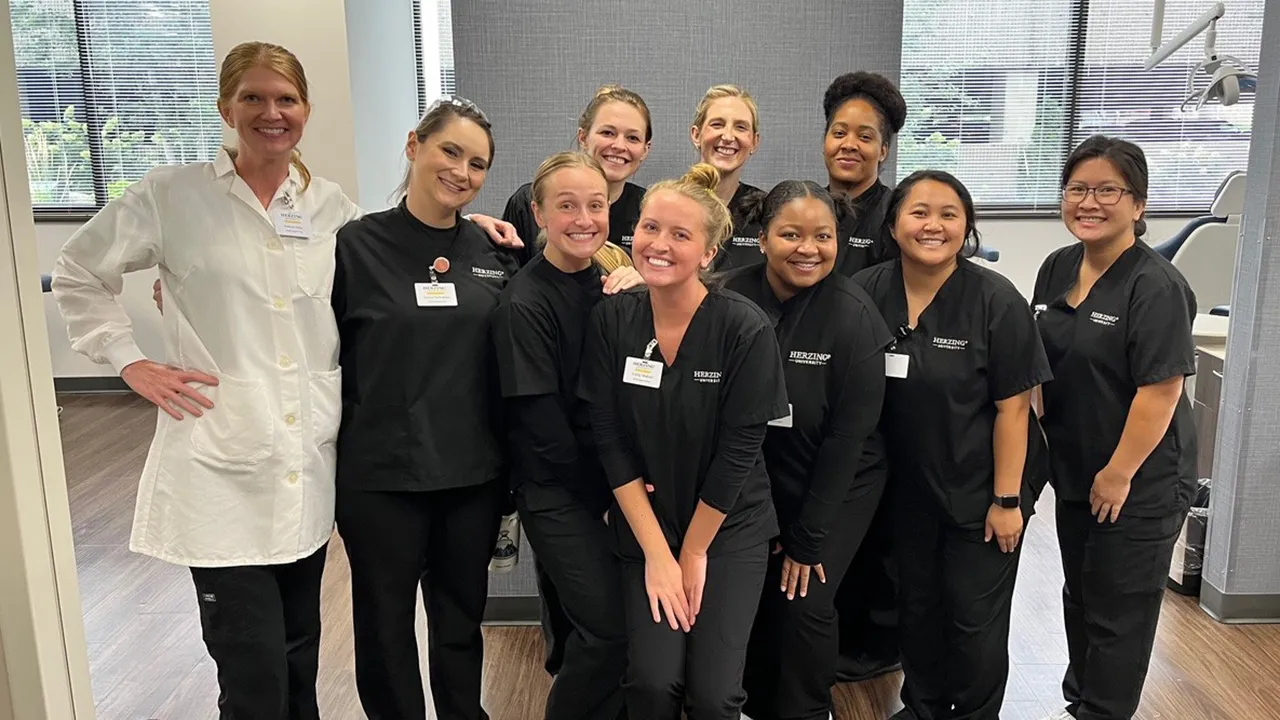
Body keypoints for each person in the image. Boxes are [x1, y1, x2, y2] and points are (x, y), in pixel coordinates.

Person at [51, 41, 360, 719]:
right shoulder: (173, 195)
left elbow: (386, 272)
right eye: (253, 98)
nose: (271, 113)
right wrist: (128, 359)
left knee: (298, 657)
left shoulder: (329, 205)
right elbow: (77, 270)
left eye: (286, 99)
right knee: (251, 673)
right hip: (220, 468)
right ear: (226, 107)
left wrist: (466, 234)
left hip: (304, 464)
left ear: (306, 110)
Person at [578, 163, 788, 719]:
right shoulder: (612, 321)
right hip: (647, 520)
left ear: (709, 252)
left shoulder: (744, 328)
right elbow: (610, 440)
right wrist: (657, 553)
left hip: (727, 527)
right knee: (652, 684)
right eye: (650, 228)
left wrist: (692, 552)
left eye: (680, 234)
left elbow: (739, 452)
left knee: (714, 696)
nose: (659, 244)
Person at [330, 97, 518, 720]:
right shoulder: (354, 246)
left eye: (477, 164)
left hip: (471, 473)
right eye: (450, 152)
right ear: (414, 145)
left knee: (460, 620)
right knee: (384, 626)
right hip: (382, 475)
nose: (462, 172)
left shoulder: (495, 252)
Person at [853, 170, 1051, 720]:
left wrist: (1007, 500)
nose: (932, 225)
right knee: (917, 607)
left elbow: (1015, 408)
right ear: (894, 223)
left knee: (972, 619)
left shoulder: (995, 299)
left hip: (983, 486)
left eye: (948, 214)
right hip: (908, 487)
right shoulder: (867, 292)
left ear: (967, 227)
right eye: (918, 212)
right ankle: (923, 707)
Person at [1032, 136, 1198, 720]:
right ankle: (1081, 701)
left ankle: (1103, 711)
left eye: (1108, 190)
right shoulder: (1058, 266)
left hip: (1139, 478)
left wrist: (1119, 472)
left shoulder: (1156, 286)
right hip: (1076, 467)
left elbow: (1161, 390)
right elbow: (1041, 361)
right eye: (1077, 188)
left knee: (1118, 608)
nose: (1089, 202)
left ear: (1139, 203)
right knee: (1080, 593)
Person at [722, 181, 893, 720]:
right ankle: (754, 703)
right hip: (759, 478)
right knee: (751, 593)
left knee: (803, 597)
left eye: (823, 236)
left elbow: (849, 439)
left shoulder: (854, 315)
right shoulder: (728, 296)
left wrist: (808, 539)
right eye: (791, 235)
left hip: (838, 481)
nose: (808, 249)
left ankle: (807, 711)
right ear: (762, 239)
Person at [490, 151, 645, 720]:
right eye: (567, 206)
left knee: (620, 630)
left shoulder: (612, 283)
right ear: (538, 214)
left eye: (596, 205)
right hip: (561, 491)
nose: (584, 219)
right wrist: (609, 498)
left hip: (615, 485)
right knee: (608, 630)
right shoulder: (524, 303)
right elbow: (543, 430)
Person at [819, 70, 909, 683]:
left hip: (878, 395)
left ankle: (874, 650)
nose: (849, 144)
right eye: (838, 131)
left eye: (865, 135)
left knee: (876, 532)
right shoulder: (808, 206)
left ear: (884, 148)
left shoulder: (896, 217)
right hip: (814, 392)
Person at [503, 85, 653, 265]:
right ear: (583, 137)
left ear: (645, 149)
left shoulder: (650, 208)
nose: (619, 146)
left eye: (632, 138)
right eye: (607, 133)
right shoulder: (527, 202)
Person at [689, 84, 764, 271]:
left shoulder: (765, 211)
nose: (728, 136)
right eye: (717, 124)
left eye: (740, 127)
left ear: (754, 142)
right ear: (696, 135)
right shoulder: (669, 204)